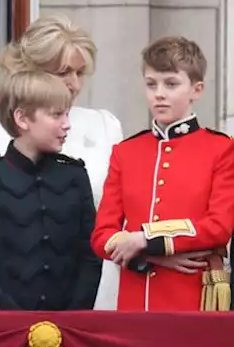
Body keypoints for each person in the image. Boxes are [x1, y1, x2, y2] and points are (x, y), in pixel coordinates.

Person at [0, 14, 124, 309]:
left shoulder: (104, 125)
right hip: (12, 296)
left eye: (80, 72)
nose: (74, 84)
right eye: (63, 72)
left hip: (94, 286)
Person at [91, 36, 234, 312]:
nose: (159, 93)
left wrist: (145, 239)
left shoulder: (222, 149)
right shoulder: (126, 152)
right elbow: (101, 235)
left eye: (171, 84)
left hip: (193, 297)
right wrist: (151, 255)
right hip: (135, 296)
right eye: (151, 84)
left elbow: (219, 226)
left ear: (197, 89)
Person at [0, 70, 101, 311]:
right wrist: (16, 320)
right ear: (22, 119)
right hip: (2, 328)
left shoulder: (74, 176)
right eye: (56, 115)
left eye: (67, 114)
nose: (67, 125)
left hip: (67, 326)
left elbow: (90, 256)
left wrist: (71, 317)